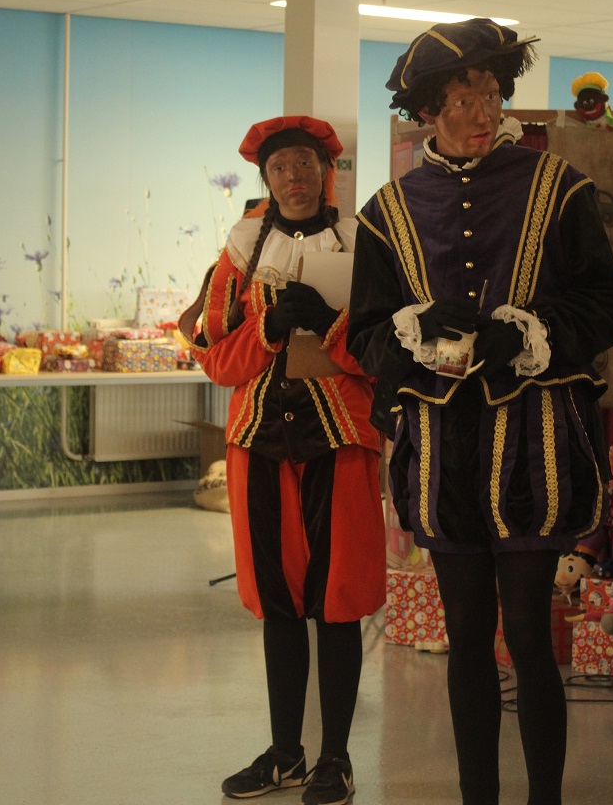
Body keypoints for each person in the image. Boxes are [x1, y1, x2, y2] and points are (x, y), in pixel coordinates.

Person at [346, 18, 613, 805]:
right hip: (443, 453)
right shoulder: (386, 212)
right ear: (426, 112)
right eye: (462, 99)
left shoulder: (558, 186)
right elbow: (366, 334)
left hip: (534, 448)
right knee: (467, 635)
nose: (483, 112)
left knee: (532, 638)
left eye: (490, 94)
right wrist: (411, 332)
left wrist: (527, 332)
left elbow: (607, 306)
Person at [192, 115, 383, 805]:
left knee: (337, 602)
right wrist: (267, 329)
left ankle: (335, 758)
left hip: (340, 441)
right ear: (266, 180)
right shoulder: (241, 254)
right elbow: (216, 358)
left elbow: (388, 353)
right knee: (278, 603)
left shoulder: (365, 247)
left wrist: (331, 326)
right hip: (259, 444)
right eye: (280, 168)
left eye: (304, 164)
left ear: (326, 172)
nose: (294, 178)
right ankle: (284, 754)